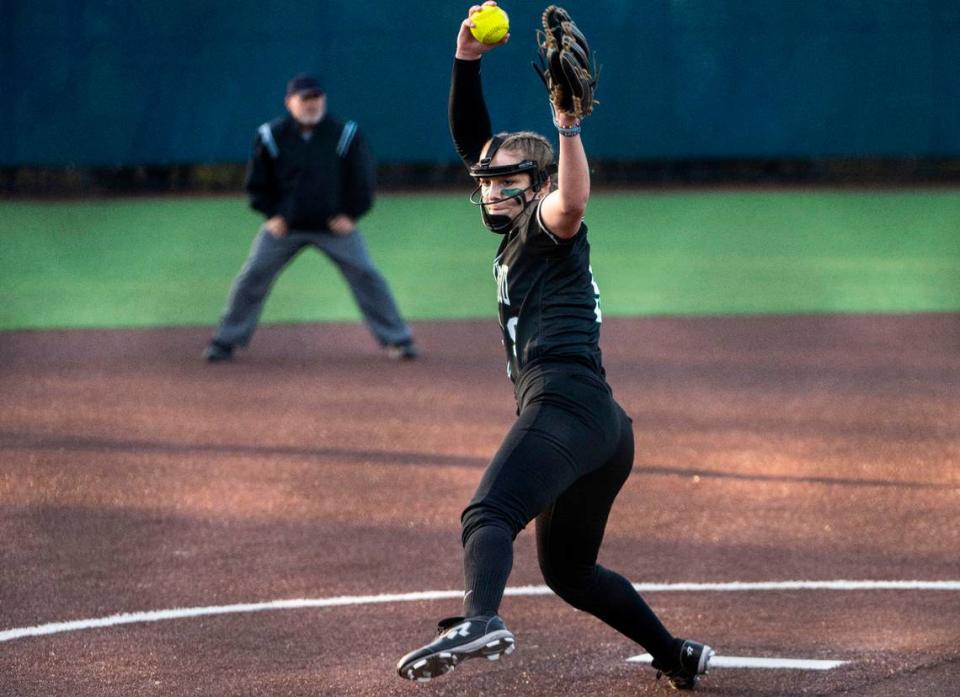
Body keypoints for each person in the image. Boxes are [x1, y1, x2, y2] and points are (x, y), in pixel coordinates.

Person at [396, 3, 713, 690]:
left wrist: (567, 128)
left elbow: (571, 200)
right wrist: (466, 60)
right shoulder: (515, 223)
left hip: (563, 404)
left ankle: (482, 618)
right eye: (488, 183)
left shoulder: (545, 219)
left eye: (509, 180)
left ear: (534, 185)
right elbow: (476, 148)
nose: (493, 189)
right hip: (602, 424)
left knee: (488, 513)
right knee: (569, 571)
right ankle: (674, 654)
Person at [203, 73, 418, 362]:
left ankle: (398, 340)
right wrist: (272, 214)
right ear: (289, 102)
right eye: (305, 98)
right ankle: (224, 341)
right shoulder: (271, 135)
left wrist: (351, 214)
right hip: (285, 227)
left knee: (366, 274)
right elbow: (257, 182)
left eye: (317, 97)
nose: (312, 104)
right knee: (253, 274)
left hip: (333, 227)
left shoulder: (344, 134)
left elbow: (363, 179)